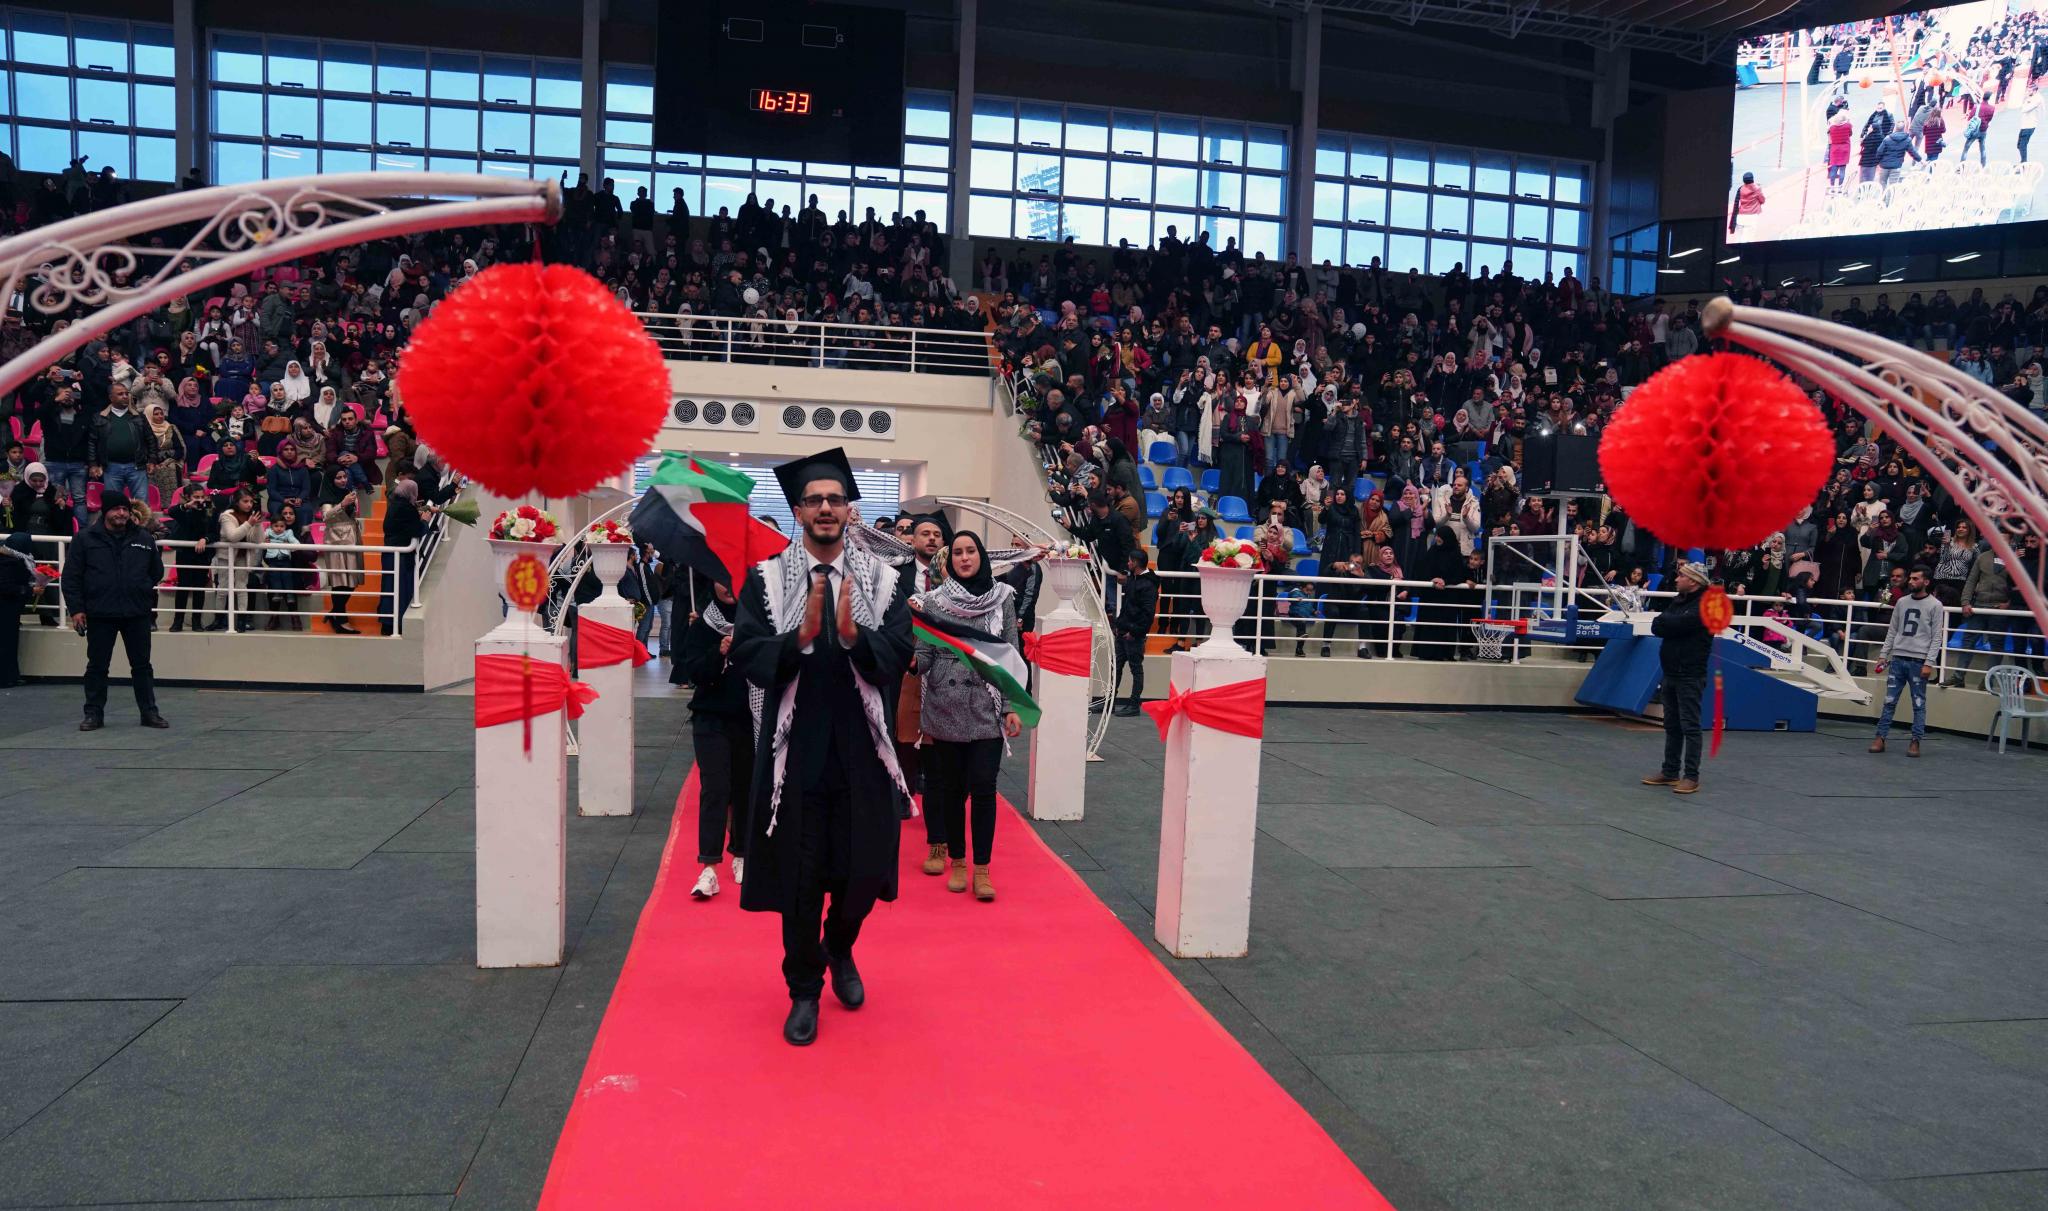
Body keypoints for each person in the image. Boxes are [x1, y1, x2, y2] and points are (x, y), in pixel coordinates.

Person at [731, 448, 913, 1047]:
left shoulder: (886, 581)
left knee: (862, 875)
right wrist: (799, 638)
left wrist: (855, 637)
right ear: (798, 509)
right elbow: (752, 657)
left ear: (849, 508)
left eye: (836, 498)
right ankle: (804, 988)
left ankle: (841, 948)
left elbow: (898, 656)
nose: (827, 508)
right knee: (800, 879)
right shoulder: (763, 580)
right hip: (795, 752)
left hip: (863, 750)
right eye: (815, 500)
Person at [912, 529, 1024, 901]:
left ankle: (982, 870)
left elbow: (1010, 654)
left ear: (980, 556)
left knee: (984, 789)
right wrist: (908, 657)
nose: (964, 558)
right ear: (948, 561)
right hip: (944, 704)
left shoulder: (1002, 598)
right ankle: (957, 861)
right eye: (957, 552)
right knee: (950, 792)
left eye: (970, 551)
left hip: (986, 704)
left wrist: (1011, 706)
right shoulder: (933, 602)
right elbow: (925, 656)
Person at [59, 490, 167, 731]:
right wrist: (76, 609)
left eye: (125, 510)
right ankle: (93, 714)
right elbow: (71, 577)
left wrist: (140, 588)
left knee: (142, 666)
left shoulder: (144, 538)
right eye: (116, 509)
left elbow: (156, 571)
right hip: (100, 613)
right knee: (97, 666)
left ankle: (149, 713)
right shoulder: (85, 539)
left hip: (136, 612)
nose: (121, 513)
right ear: (105, 511)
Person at [679, 575, 752, 899]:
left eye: (736, 578)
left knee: (744, 788)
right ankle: (708, 866)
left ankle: (742, 854)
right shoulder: (703, 623)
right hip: (710, 718)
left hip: (750, 718)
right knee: (715, 789)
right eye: (724, 580)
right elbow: (690, 671)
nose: (729, 586)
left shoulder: (760, 618)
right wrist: (718, 652)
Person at [893, 513, 948, 876]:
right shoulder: (896, 575)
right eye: (924, 533)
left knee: (938, 741)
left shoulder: (956, 581)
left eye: (937, 534)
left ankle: (940, 831)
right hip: (906, 661)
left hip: (945, 667)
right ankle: (900, 791)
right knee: (903, 729)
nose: (930, 539)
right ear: (912, 540)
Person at [1642, 562, 1712, 794]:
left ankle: (1691, 776)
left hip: (1690, 673)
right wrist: (1671, 623)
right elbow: (1658, 625)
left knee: (1690, 726)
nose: (1676, 579)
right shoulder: (1679, 601)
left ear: (1693, 580)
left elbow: (1675, 623)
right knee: (1672, 725)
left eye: (1681, 576)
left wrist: (1670, 623)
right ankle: (1670, 771)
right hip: (1671, 671)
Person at [1870, 565, 1943, 758]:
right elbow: (1892, 630)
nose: (1911, 581)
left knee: (1918, 703)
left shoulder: (1935, 605)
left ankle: (1915, 741)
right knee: (1889, 701)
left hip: (1919, 661)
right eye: (1910, 578)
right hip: (1898, 658)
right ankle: (1880, 737)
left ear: (1926, 582)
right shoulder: (1901, 602)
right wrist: (1883, 655)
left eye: (1915, 579)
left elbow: (1937, 637)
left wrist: (1929, 662)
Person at [1110, 547, 1157, 715]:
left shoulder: (1148, 585)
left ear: (1136, 563)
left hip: (1133, 635)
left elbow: (1148, 614)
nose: (1128, 563)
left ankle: (1134, 704)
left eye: (1130, 560)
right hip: (1123, 631)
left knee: (1136, 669)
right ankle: (1109, 702)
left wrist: (1135, 632)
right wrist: (1118, 626)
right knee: (1116, 667)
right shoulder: (1134, 579)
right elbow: (1128, 607)